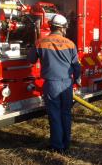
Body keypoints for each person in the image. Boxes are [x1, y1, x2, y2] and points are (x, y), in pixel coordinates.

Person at [27, 14, 81, 153]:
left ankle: (58, 146)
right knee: (66, 113)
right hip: (67, 84)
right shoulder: (70, 43)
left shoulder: (41, 42)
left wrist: (34, 43)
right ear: (63, 28)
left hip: (52, 84)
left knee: (55, 114)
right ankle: (66, 143)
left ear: (51, 26)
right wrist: (76, 80)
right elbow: (76, 65)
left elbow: (31, 60)